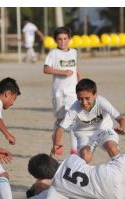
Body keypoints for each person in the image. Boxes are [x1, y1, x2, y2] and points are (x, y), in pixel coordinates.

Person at [51, 78, 125, 163]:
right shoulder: (74, 109)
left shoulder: (102, 102)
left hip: (104, 130)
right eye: (80, 98)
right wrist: (57, 144)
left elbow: (121, 118)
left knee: (113, 148)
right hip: (84, 134)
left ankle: (121, 169)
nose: (84, 102)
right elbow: (61, 127)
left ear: (95, 95)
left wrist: (122, 127)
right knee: (86, 156)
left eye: (87, 98)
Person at [43, 26, 81, 155]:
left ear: (69, 39)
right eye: (59, 39)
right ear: (55, 40)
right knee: (60, 121)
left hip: (73, 93)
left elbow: (76, 69)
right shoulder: (53, 53)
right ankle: (55, 141)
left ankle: (74, 151)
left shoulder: (74, 52)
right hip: (59, 92)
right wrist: (62, 72)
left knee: (73, 121)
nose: (63, 41)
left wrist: (80, 82)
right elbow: (46, 69)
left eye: (65, 38)